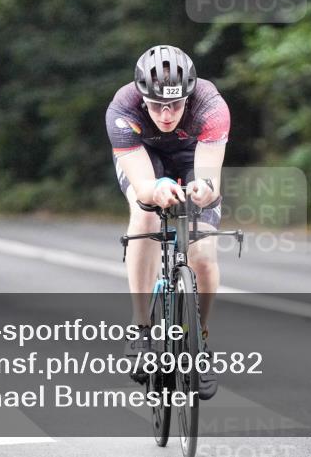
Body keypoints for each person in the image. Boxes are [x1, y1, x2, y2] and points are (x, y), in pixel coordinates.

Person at [105, 45, 230, 400]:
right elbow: (144, 186)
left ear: (188, 97)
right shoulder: (123, 109)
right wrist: (155, 189)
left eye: (175, 104)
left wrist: (203, 190)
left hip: (193, 157)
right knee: (145, 212)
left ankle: (199, 341)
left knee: (203, 253)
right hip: (146, 159)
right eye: (156, 104)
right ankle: (140, 327)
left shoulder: (211, 106)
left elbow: (209, 181)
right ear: (142, 97)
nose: (165, 114)